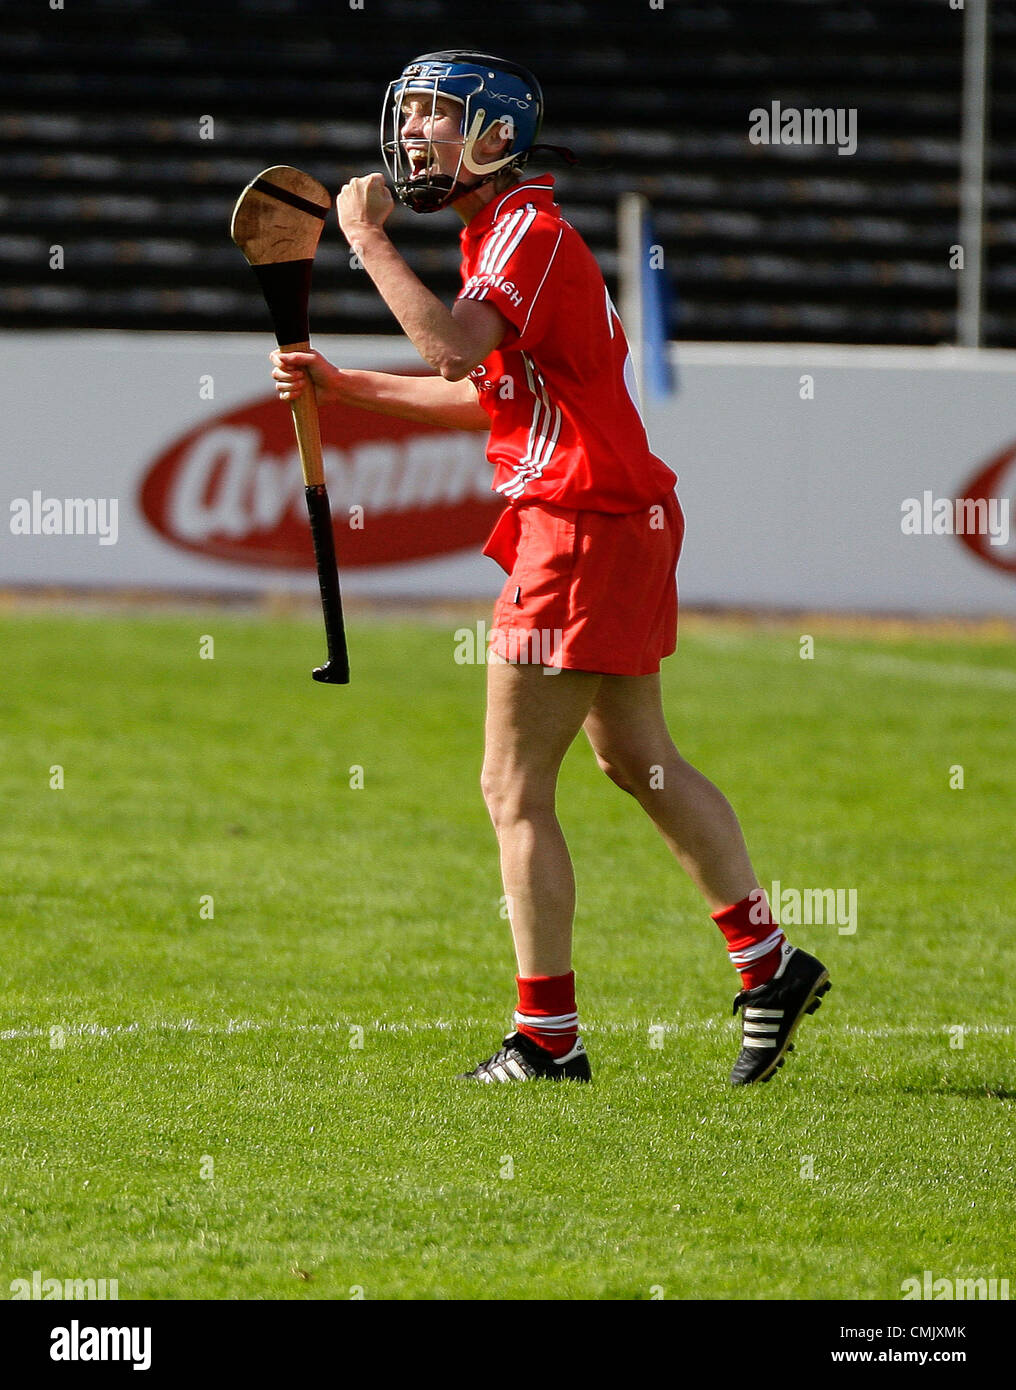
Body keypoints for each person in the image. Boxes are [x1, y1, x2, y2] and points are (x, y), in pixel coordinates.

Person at [269, 51, 831, 1086]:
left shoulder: (525, 233)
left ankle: (546, 1041)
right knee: (634, 756)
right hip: (614, 519)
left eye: (433, 120)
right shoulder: (509, 233)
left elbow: (446, 349)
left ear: (493, 138)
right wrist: (345, 387)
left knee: (511, 786)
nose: (411, 140)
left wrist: (360, 239)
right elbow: (489, 391)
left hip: (574, 526)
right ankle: (770, 965)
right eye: (411, 120)